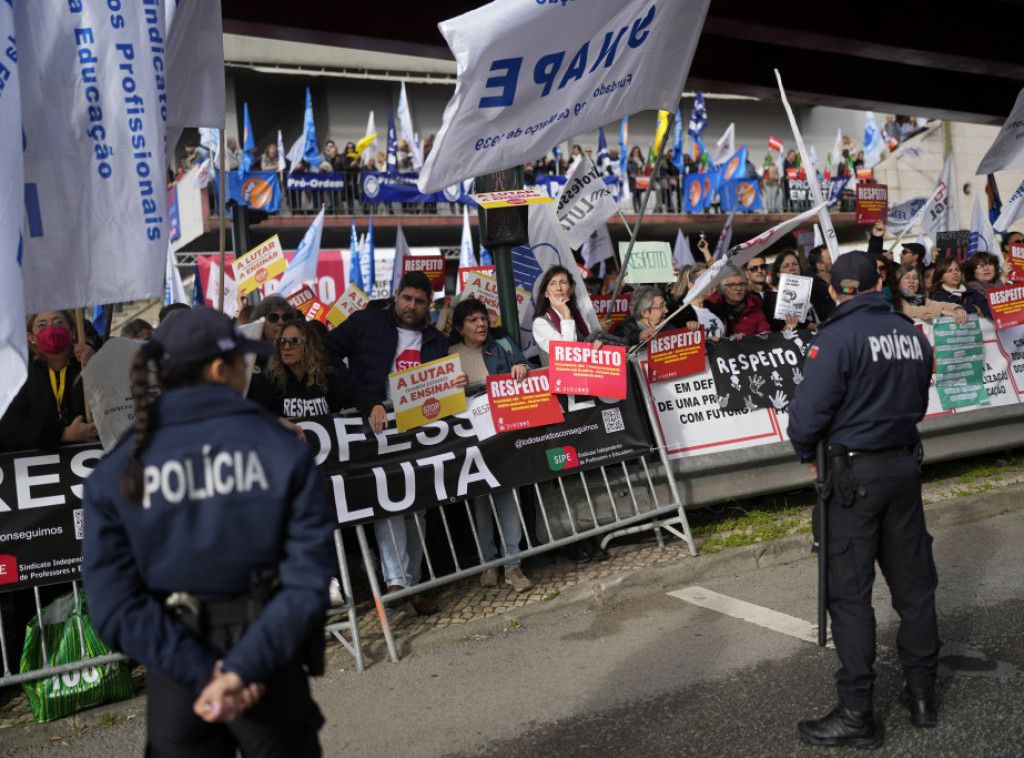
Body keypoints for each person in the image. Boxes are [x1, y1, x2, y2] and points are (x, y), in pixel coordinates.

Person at [82, 307, 334, 755]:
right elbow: (307, 582)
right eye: (245, 360)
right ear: (221, 368)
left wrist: (203, 676)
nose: (251, 369)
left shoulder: (116, 471)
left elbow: (114, 605)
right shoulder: (281, 451)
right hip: (268, 668)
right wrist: (239, 673)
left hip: (178, 676)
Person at [787, 251, 939, 749]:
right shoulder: (911, 335)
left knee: (849, 596)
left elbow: (808, 415)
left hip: (852, 476)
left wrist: (808, 451)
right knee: (914, 588)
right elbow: (918, 401)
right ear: (880, 281)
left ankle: (856, 713)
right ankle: (921, 696)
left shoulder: (835, 337)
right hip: (903, 468)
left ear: (833, 290)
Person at [323, 271, 466, 615]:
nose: (411, 307)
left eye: (419, 301)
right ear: (396, 295)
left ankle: (411, 584)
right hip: (375, 427)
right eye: (407, 298)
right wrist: (362, 398)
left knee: (418, 503)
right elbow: (325, 352)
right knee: (387, 500)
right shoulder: (365, 322)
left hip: (419, 429)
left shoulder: (435, 339)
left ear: (428, 305)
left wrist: (454, 383)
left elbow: (439, 385)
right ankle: (396, 582)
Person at [448, 299, 534, 592]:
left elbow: (525, 363)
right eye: (472, 320)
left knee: (507, 495)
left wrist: (521, 365)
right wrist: (451, 385)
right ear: (459, 327)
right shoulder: (449, 354)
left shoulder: (501, 343)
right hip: (470, 436)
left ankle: (513, 564)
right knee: (480, 501)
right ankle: (488, 563)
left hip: (502, 432)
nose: (481, 324)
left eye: (483, 318)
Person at [0, 311, 98, 452]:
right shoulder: (18, 371)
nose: (51, 329)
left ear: (73, 331)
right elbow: (7, 425)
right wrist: (64, 434)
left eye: (59, 322)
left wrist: (96, 366)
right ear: (30, 337)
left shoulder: (90, 362)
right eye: (41, 325)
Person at [248, 319, 382, 421]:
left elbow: (354, 395)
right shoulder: (271, 379)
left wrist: (373, 406)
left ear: (308, 345)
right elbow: (254, 414)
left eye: (294, 341)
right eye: (282, 341)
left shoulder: (325, 376)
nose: (286, 347)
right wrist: (278, 421)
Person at [531, 265, 602, 366]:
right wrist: (566, 315)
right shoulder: (540, 323)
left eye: (563, 282)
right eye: (553, 284)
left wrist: (596, 346)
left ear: (572, 289)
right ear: (546, 293)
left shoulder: (579, 316)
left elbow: (589, 345)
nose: (558, 288)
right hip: (559, 380)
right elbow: (567, 354)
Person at [762, 251, 818, 332]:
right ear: (778, 274)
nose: (792, 268)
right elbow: (778, 326)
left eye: (795, 264)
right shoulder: (770, 297)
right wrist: (809, 325)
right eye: (786, 266)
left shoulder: (811, 289)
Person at [895, 263, 968, 323]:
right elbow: (914, 311)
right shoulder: (896, 298)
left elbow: (938, 304)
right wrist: (942, 312)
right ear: (898, 281)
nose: (912, 281)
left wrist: (957, 308)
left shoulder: (919, 298)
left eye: (915, 278)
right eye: (907, 278)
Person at [706, 274, 770, 338]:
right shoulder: (711, 308)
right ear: (723, 289)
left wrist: (746, 339)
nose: (739, 288)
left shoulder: (755, 309)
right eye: (733, 285)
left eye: (741, 284)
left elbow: (766, 335)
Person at [807, 246, 836, 321]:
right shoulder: (811, 289)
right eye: (831, 258)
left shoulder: (840, 279)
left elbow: (849, 291)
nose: (835, 259)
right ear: (820, 266)